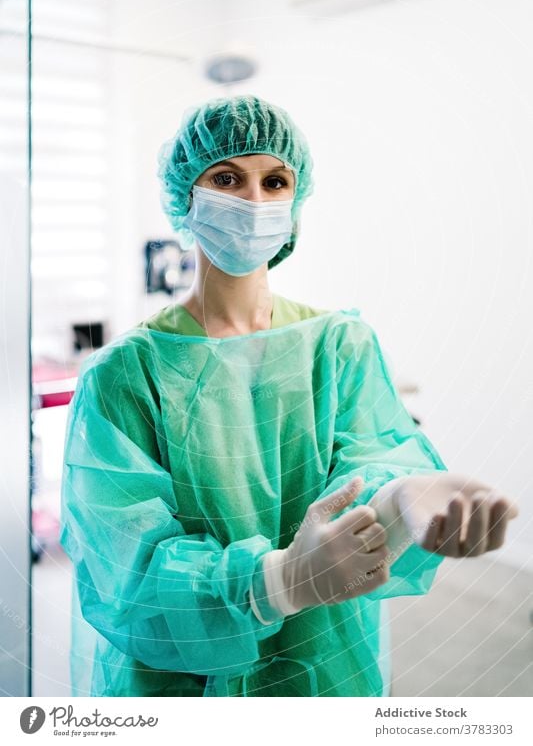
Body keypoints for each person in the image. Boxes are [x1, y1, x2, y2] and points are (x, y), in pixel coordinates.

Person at [60, 94, 518, 698]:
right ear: (186, 198)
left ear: (295, 204)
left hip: (323, 669)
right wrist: (277, 581)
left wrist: (403, 491)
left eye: (275, 181)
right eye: (228, 178)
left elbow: (372, 456)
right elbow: (123, 564)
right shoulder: (127, 374)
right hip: (179, 686)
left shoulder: (338, 344)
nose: (254, 201)